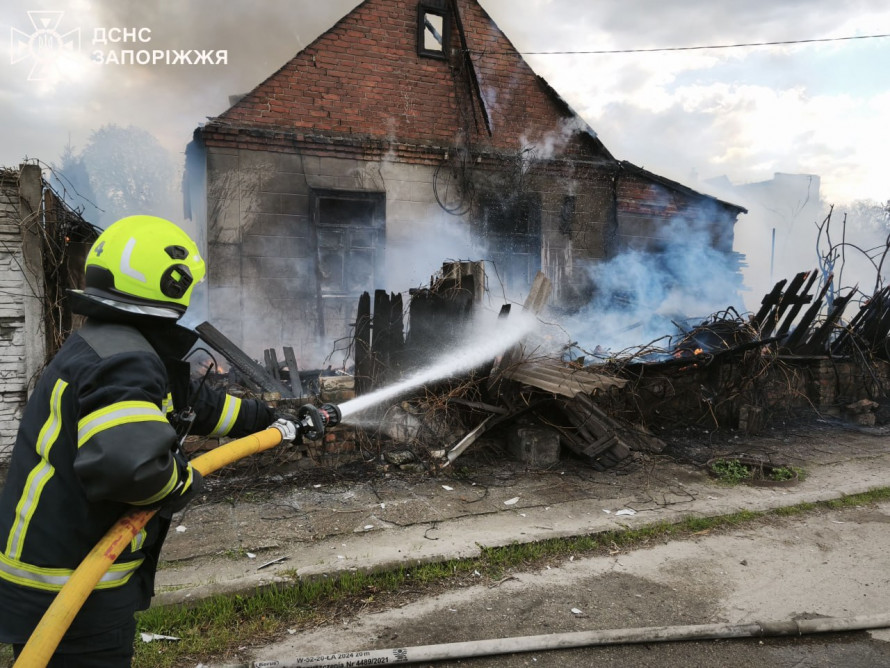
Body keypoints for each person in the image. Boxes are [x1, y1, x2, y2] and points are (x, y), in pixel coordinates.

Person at [0, 215, 286, 666]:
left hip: (57, 574)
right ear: (171, 284)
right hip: (73, 589)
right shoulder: (126, 359)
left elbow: (191, 408)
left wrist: (270, 419)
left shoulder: (109, 342)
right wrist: (184, 482)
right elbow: (131, 468)